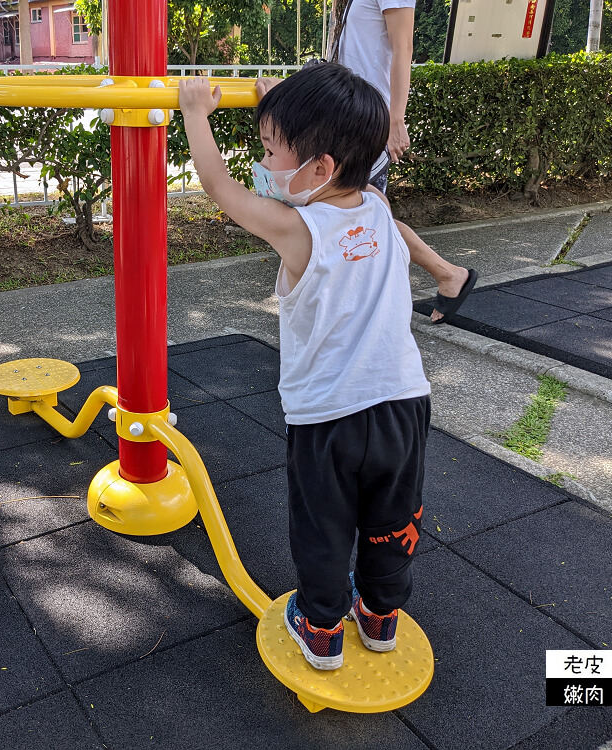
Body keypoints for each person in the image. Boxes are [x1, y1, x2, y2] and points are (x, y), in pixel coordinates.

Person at [178, 63, 430, 670]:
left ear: (320, 168)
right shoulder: (374, 202)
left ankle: (320, 628)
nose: (264, 165)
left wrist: (194, 114)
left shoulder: (297, 228)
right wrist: (281, 108)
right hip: (404, 404)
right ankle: (379, 615)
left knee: (325, 526)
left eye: (269, 152)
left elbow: (221, 188)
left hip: (328, 420)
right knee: (390, 520)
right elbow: (311, 171)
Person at [319, 0, 477, 323]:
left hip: (368, 122)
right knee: (357, 216)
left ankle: (442, 277)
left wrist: (394, 121)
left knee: (364, 217)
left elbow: (403, 47)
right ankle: (446, 276)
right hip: (346, 118)